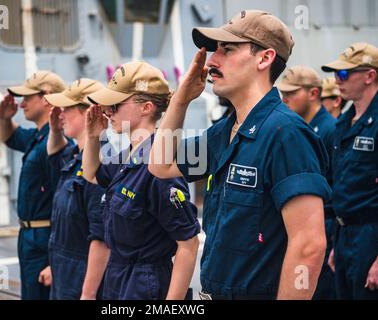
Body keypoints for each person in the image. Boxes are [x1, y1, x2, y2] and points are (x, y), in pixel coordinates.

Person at [148, 10, 331, 300]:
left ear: (264, 58)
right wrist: (181, 100)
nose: (211, 61)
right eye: (214, 50)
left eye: (227, 49)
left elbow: (309, 246)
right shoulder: (226, 132)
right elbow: (160, 165)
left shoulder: (286, 134)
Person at [82, 61, 200, 300]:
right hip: (119, 277)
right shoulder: (129, 155)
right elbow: (91, 173)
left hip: (146, 284)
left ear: (146, 107)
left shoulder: (160, 169)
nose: (108, 111)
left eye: (115, 104)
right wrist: (93, 136)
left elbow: (188, 244)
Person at [0, 71, 66, 300]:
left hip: (45, 239)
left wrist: (56, 263)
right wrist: (4, 118)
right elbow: (10, 137)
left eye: (28, 98)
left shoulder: (56, 142)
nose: (22, 103)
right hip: (29, 236)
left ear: (46, 98)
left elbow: (65, 204)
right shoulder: (39, 136)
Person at [39, 79, 110, 300]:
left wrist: (87, 295)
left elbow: (101, 239)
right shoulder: (75, 158)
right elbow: (51, 157)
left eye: (66, 108)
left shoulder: (100, 165)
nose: (59, 114)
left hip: (81, 286)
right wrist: (55, 267)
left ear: (89, 112)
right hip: (65, 279)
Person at [321, 42, 378, 299]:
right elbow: (340, 186)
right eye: (335, 73)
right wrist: (335, 244)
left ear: (369, 76)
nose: (337, 80)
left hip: (371, 236)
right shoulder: (342, 124)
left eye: (344, 74)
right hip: (344, 236)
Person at [277, 66, 337, 299]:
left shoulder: (329, 129)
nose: (285, 98)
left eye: (292, 92)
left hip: (325, 226)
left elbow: (336, 182)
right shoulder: (299, 127)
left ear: (313, 93)